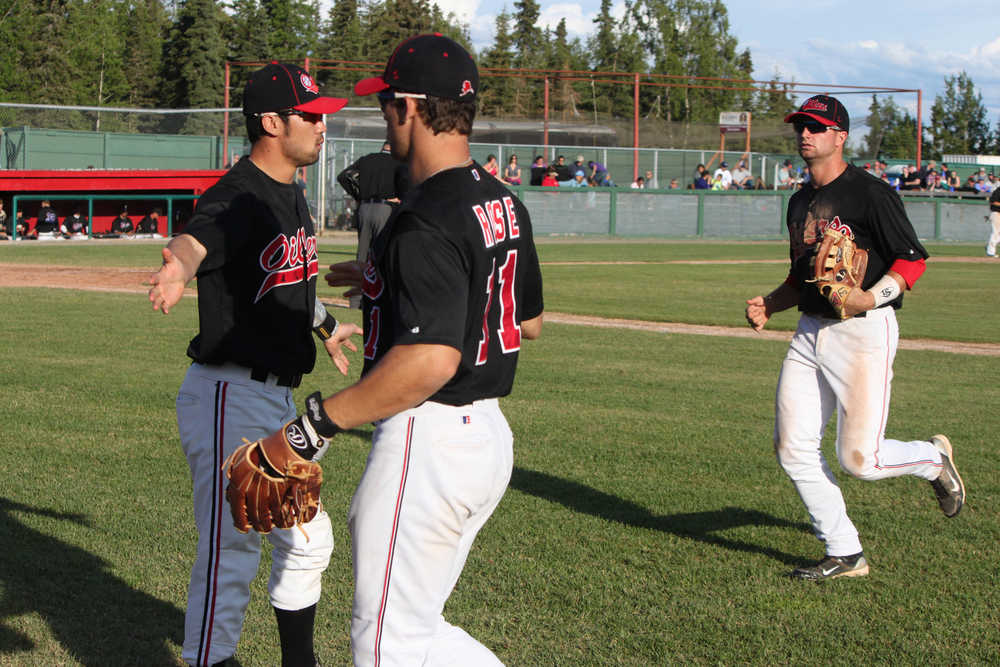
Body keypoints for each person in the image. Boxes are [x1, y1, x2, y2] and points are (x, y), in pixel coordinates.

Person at [324, 33, 543, 664]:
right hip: (487, 440)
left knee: (384, 642)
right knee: (415, 627)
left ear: (411, 107)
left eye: (387, 101)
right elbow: (526, 322)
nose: (383, 114)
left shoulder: (423, 216)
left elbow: (430, 361)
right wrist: (393, 291)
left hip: (429, 438)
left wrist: (317, 425)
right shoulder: (503, 199)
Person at [146, 61, 360, 667]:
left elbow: (281, 283)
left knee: (308, 541)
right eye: (310, 115)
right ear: (270, 121)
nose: (322, 126)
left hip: (273, 400)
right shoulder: (237, 194)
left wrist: (322, 325)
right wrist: (178, 267)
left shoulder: (289, 192)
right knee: (232, 548)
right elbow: (197, 237)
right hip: (227, 395)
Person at [744, 95, 965, 581]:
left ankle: (933, 458)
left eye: (817, 127)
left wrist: (873, 297)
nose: (806, 134)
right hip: (809, 332)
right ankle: (846, 553)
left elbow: (912, 259)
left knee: (860, 460)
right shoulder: (800, 200)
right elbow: (803, 276)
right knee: (793, 448)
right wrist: (770, 303)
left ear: (840, 136)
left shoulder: (871, 193)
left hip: (863, 332)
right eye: (801, 126)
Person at [337, 141, 409, 307]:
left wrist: (358, 194)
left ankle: (355, 301)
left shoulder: (367, 159)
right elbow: (407, 185)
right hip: (385, 209)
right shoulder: (398, 162)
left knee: (362, 255)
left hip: (364, 208)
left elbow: (343, 176)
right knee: (382, 255)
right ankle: (378, 297)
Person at [985, 182, 1000, 257]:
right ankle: (990, 252)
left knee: (997, 234)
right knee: (995, 232)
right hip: (996, 213)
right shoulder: (998, 191)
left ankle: (989, 246)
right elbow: (993, 202)